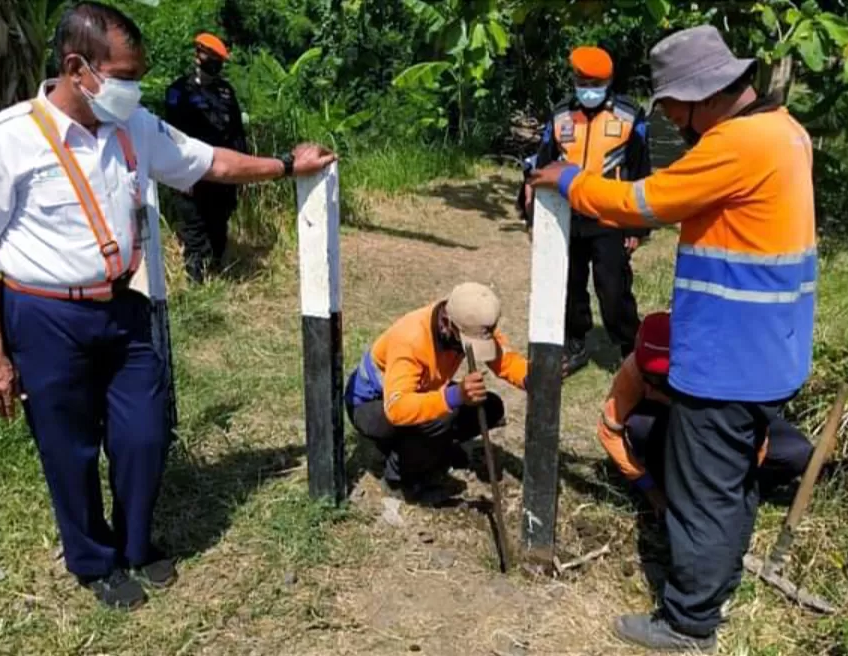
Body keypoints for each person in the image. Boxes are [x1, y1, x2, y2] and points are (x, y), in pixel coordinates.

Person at [0, 1, 335, 611]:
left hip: (121, 308)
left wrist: (288, 166)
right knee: (69, 448)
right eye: (123, 76)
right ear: (76, 69)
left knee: (145, 432)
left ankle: (135, 543)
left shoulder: (135, 127)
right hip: (45, 316)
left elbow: (211, 161)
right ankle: (93, 561)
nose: (133, 88)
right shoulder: (6, 140)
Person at [530, 25, 817, 652]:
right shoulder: (786, 130)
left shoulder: (737, 143)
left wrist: (569, 180)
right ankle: (719, 579)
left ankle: (688, 622)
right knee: (733, 478)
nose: (672, 121)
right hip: (773, 348)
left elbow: (643, 202)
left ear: (702, 95)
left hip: (727, 357)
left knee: (703, 490)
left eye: (674, 109)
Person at [599, 311, 813, 515]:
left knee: (797, 453)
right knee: (641, 426)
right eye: (650, 376)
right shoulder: (634, 370)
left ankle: (737, 491)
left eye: (664, 377)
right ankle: (675, 486)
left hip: (725, 423)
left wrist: (740, 482)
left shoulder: (719, 365)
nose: (655, 382)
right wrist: (649, 488)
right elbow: (609, 431)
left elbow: (757, 429)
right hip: (672, 428)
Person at [519, 46, 649, 377]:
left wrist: (637, 228)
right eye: (582, 82)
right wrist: (530, 209)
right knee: (571, 284)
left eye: (595, 83)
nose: (588, 89)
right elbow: (543, 161)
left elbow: (641, 171)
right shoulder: (561, 115)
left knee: (613, 288)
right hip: (568, 216)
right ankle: (575, 343)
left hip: (610, 215)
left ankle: (630, 349)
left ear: (608, 81)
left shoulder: (629, 115)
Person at [344, 283, 528, 503]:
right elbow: (397, 408)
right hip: (372, 406)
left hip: (419, 393)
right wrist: (455, 396)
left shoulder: (469, 321)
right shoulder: (411, 339)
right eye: (467, 343)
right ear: (448, 324)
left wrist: (531, 378)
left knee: (490, 407)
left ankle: (434, 451)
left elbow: (503, 359)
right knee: (444, 414)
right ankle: (399, 479)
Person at [164, 33, 248, 282]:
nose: (215, 64)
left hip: (223, 172)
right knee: (194, 229)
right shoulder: (179, 91)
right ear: (198, 56)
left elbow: (236, 133)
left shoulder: (226, 92)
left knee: (219, 226)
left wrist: (242, 170)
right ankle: (196, 282)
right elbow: (173, 136)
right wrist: (179, 175)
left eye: (218, 60)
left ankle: (219, 274)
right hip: (192, 172)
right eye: (210, 58)